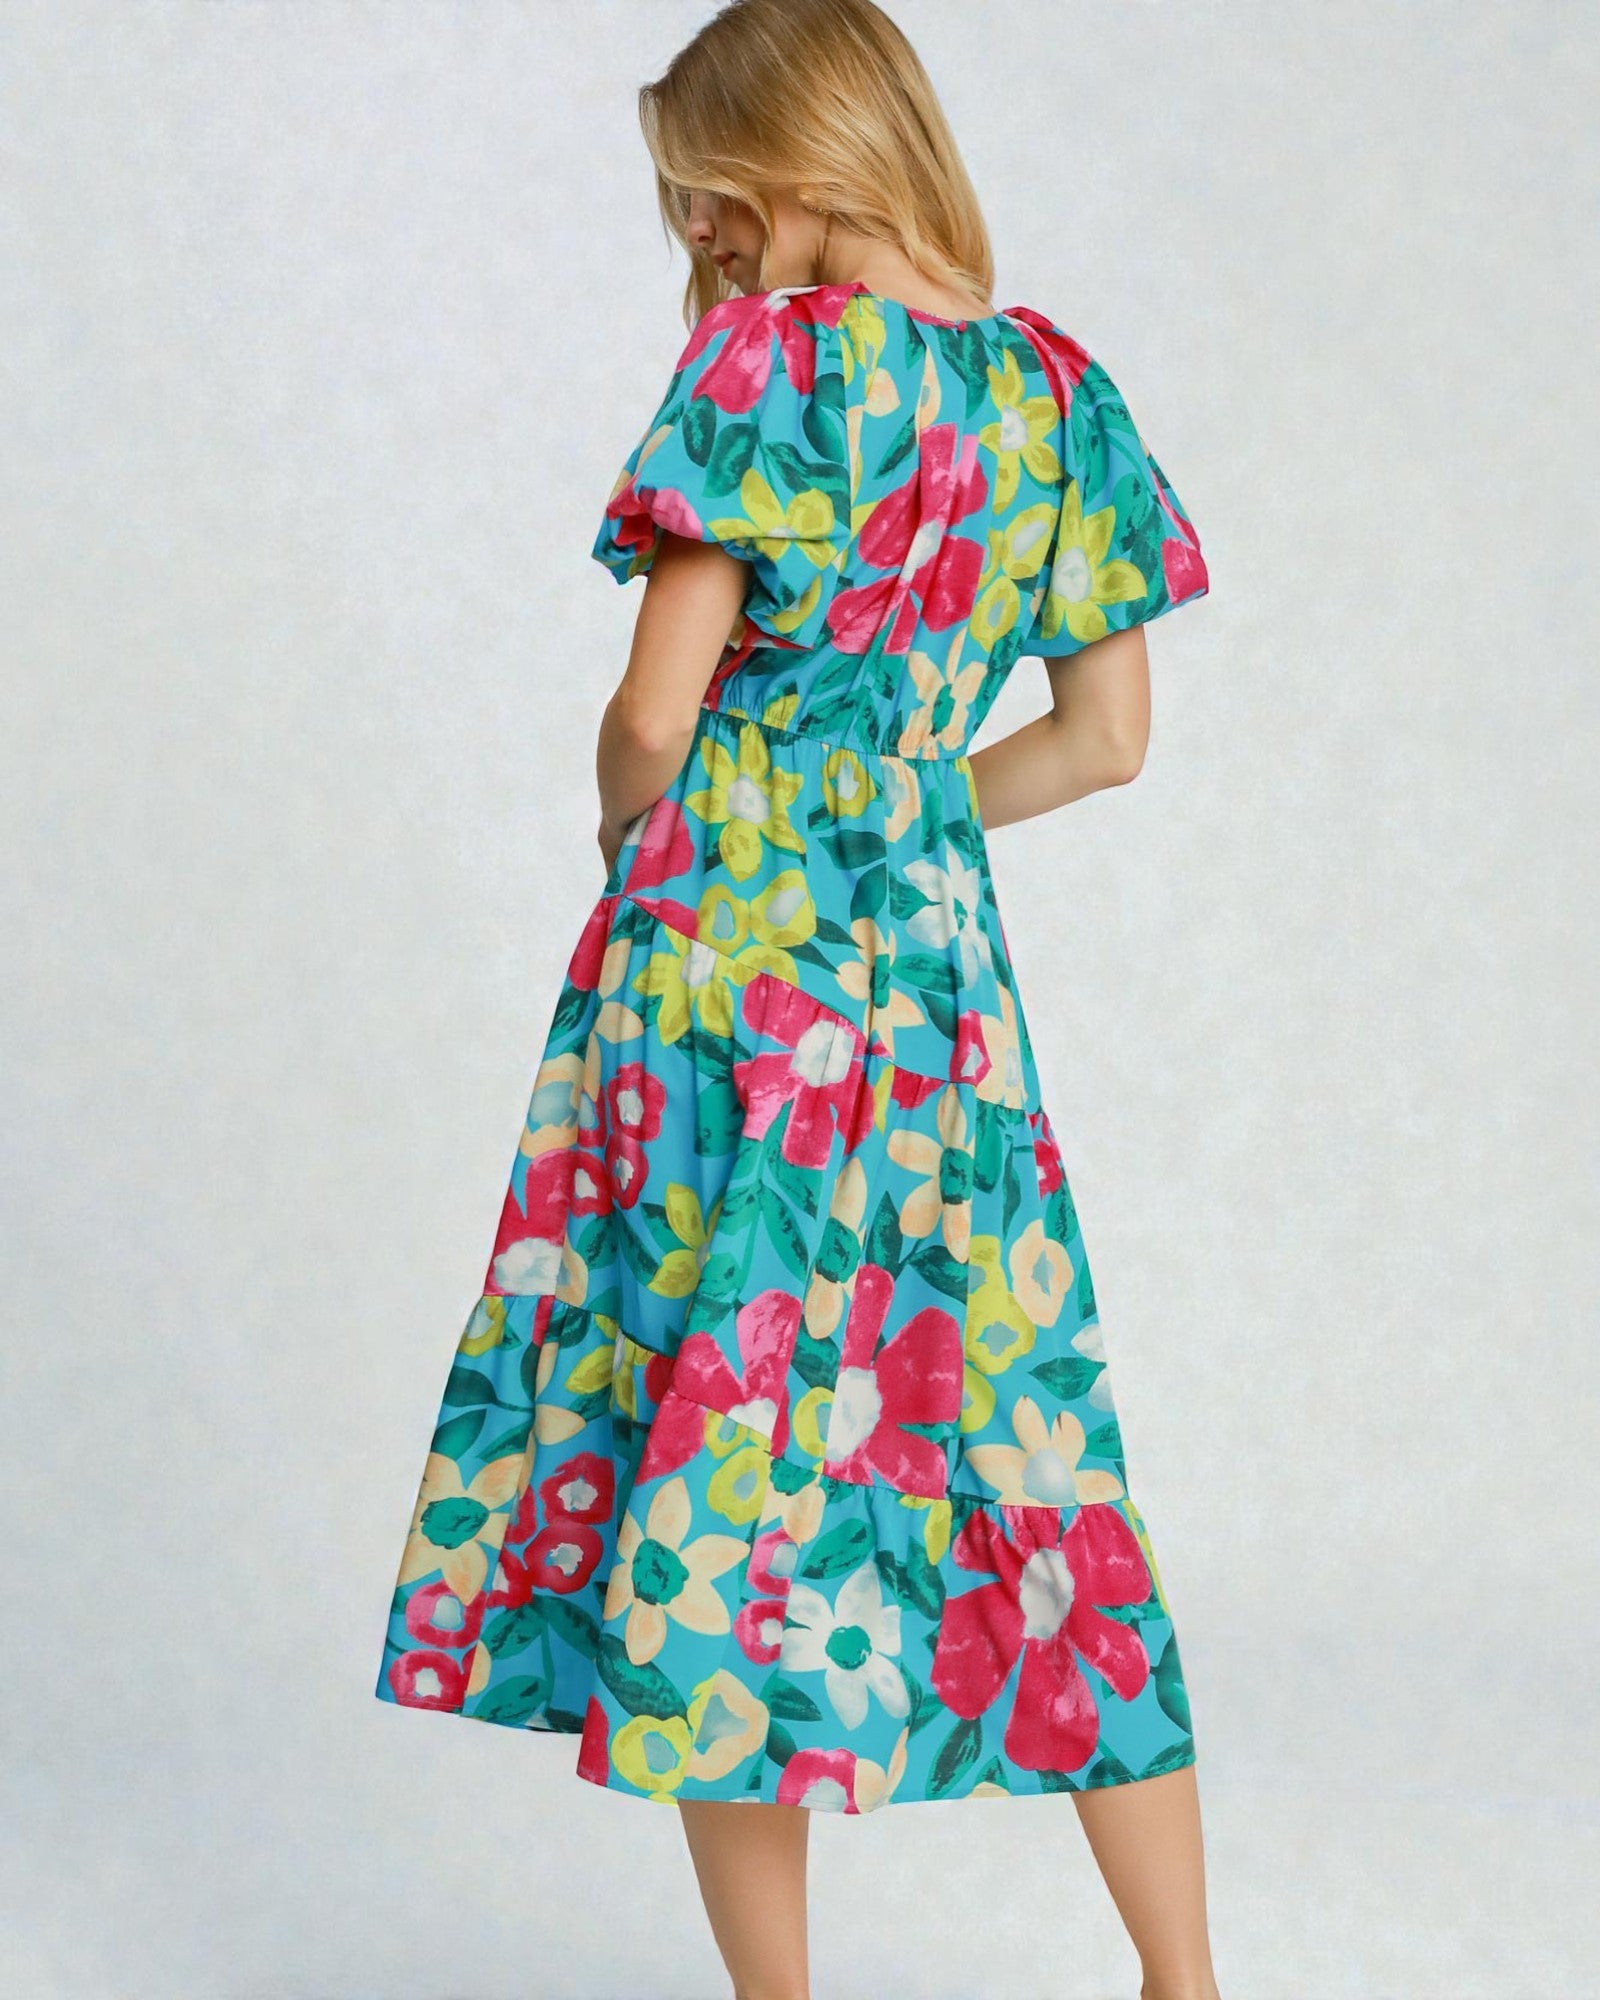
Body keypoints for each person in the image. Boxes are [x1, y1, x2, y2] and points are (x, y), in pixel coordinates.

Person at [375, 3, 1221, 1995]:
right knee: (1025, 1445)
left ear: (791, 155)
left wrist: (654, 848)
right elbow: (1104, 742)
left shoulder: (763, 370)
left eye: (701, 185)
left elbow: (650, 720)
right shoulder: (1054, 397)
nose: (692, 230)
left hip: (715, 982)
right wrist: (908, 819)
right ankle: (1185, 1983)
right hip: (930, 998)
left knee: (711, 1468)